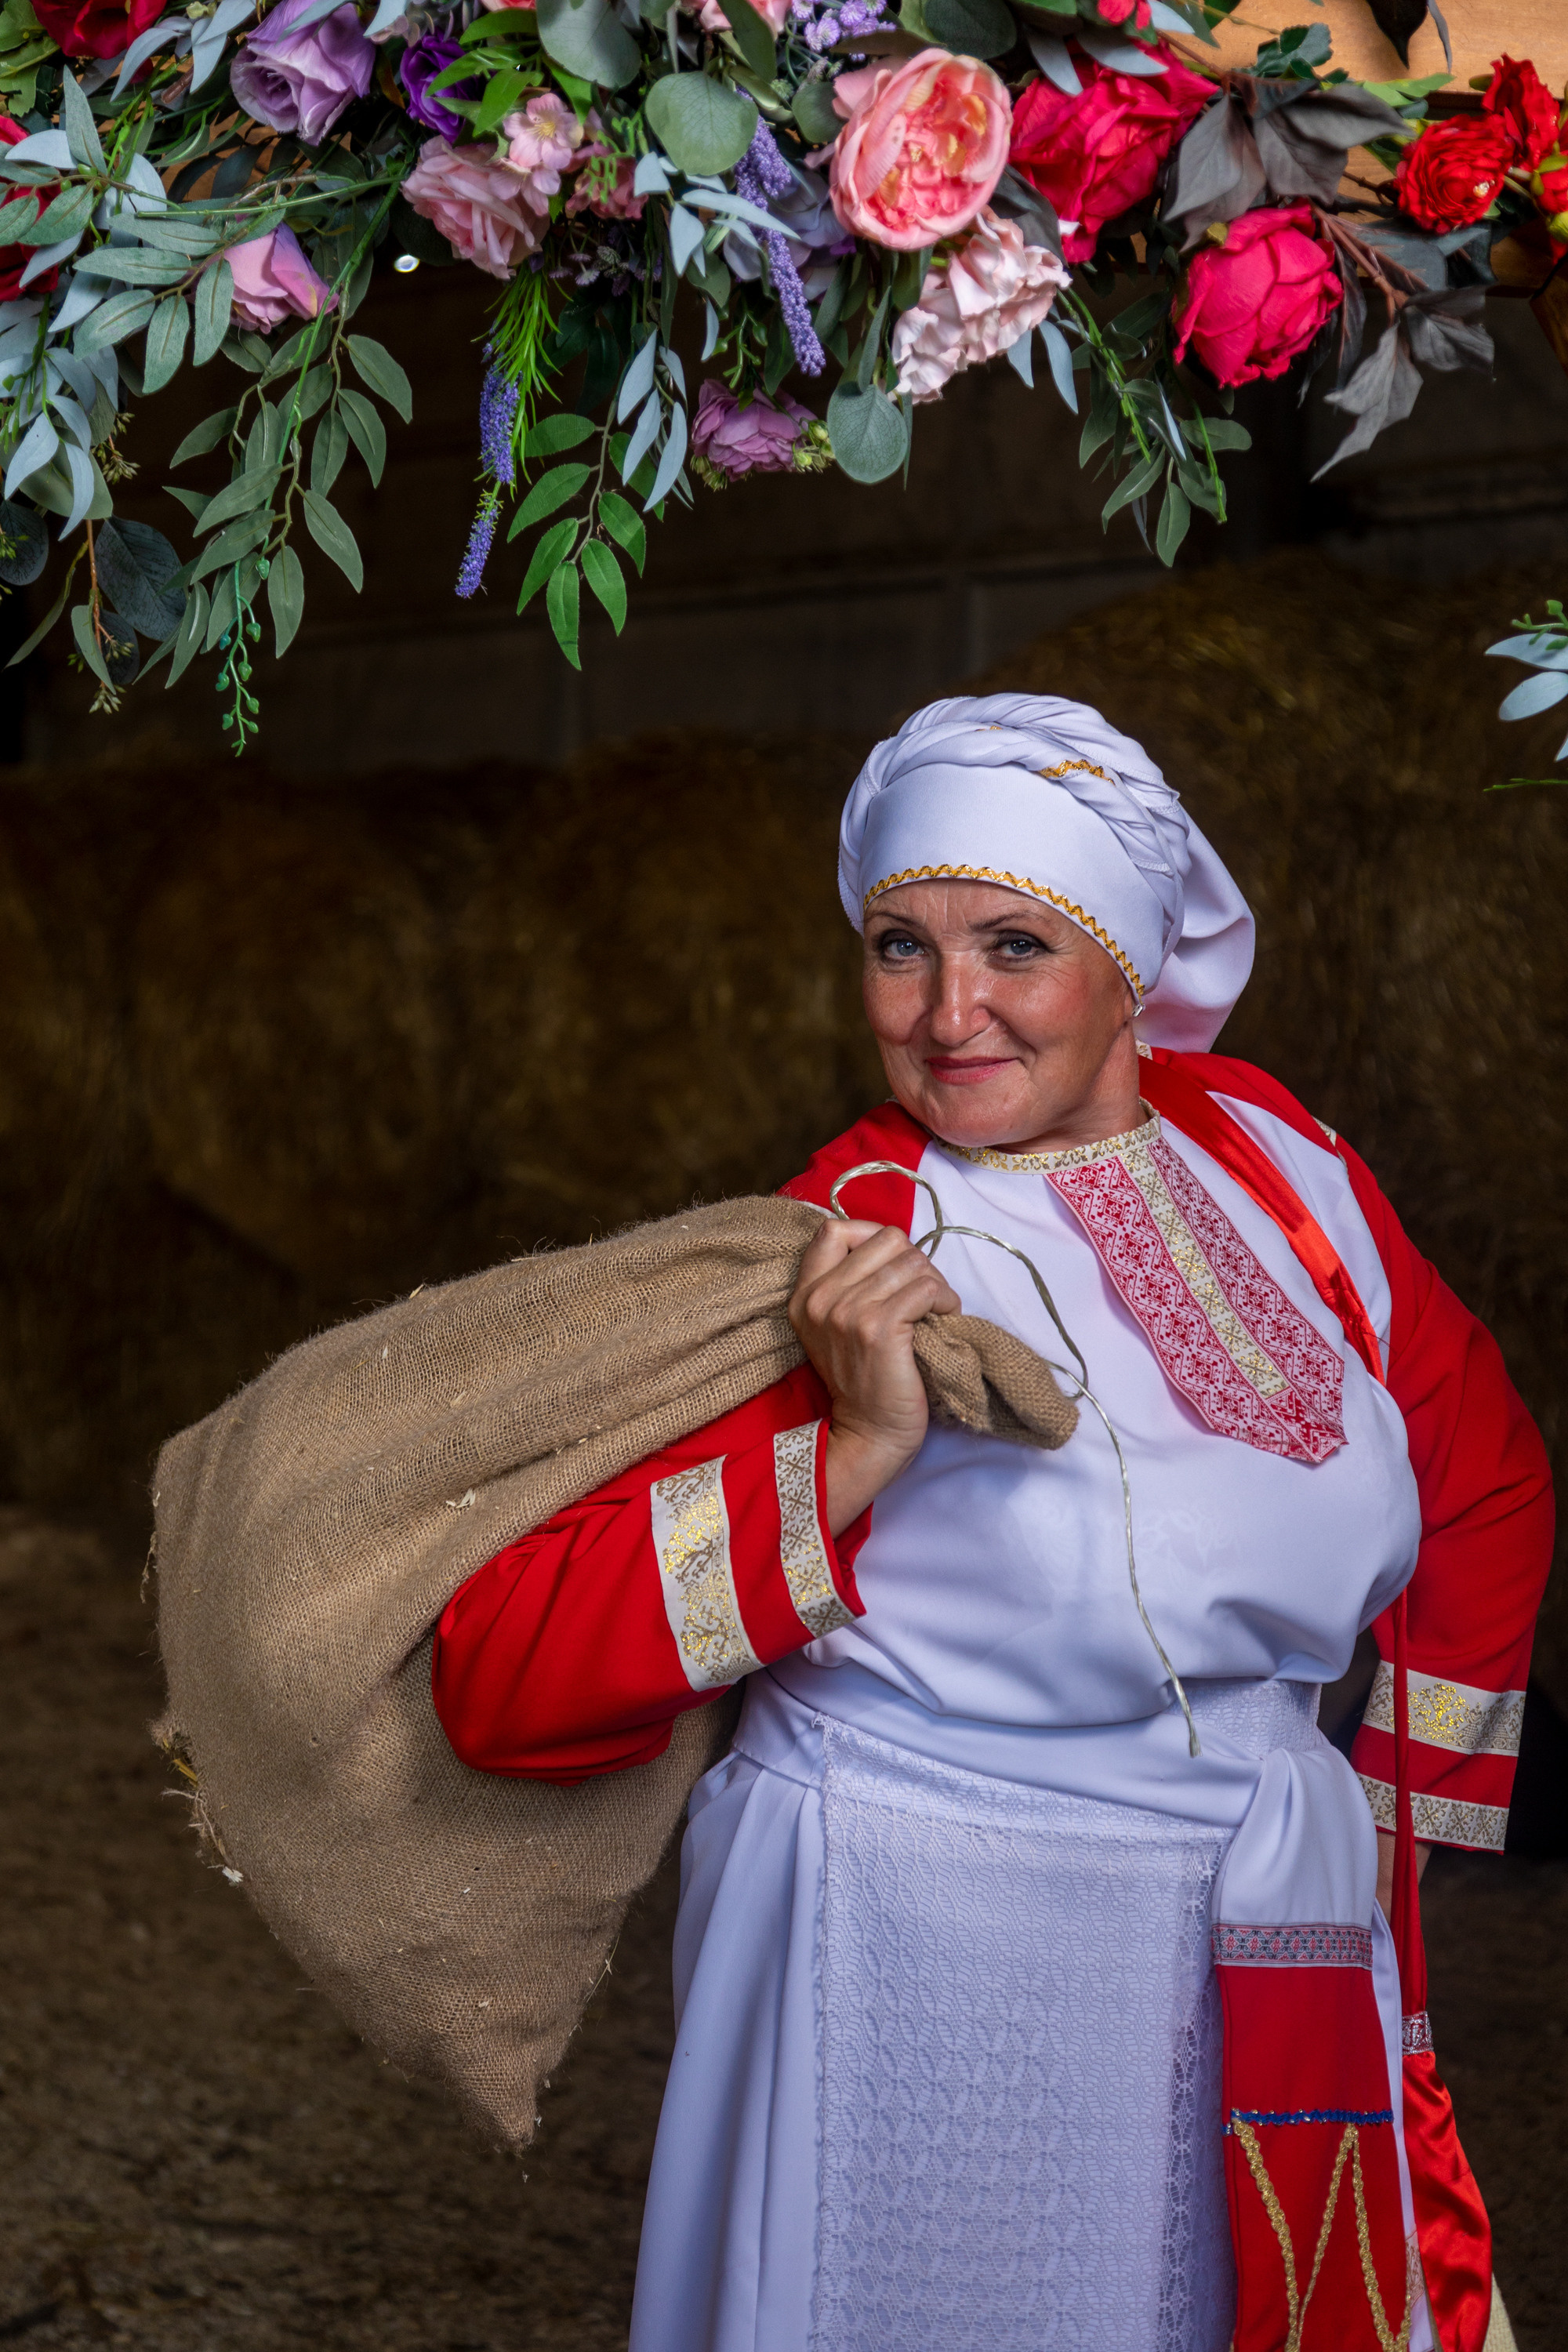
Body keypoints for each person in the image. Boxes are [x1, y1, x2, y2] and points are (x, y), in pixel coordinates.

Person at [429, 695, 1552, 2352]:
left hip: (1270, 1934)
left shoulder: (1279, 1161)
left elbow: (1484, 1469)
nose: (949, 1013)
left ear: (1131, 962)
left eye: (1014, 945)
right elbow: (505, 1666)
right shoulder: (842, 1240)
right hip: (923, 1960)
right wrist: (855, 1447)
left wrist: (1399, 1823)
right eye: (901, 948)